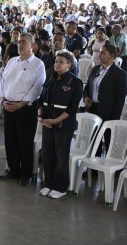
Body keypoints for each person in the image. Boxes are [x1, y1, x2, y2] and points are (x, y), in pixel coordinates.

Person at [0, 33, 46, 186]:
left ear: (32, 45)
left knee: (25, 142)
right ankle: (13, 170)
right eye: (18, 42)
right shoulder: (12, 61)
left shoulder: (38, 64)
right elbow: (3, 81)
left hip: (25, 108)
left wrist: (21, 104)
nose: (20, 45)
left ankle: (25, 174)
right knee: (10, 141)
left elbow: (37, 88)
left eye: (24, 42)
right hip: (9, 105)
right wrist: (4, 99)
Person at [37, 51, 83, 199]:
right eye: (56, 61)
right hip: (47, 123)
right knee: (47, 155)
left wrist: (56, 121)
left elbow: (72, 108)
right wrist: (40, 116)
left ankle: (60, 186)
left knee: (61, 156)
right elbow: (41, 99)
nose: (57, 64)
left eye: (61, 62)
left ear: (69, 65)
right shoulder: (51, 78)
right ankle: (48, 184)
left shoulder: (75, 82)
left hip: (63, 125)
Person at [83, 44, 127, 122]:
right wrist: (86, 97)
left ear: (111, 55)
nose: (99, 55)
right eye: (100, 53)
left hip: (107, 113)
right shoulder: (95, 69)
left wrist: (114, 118)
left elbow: (120, 99)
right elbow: (87, 88)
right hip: (91, 109)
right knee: (91, 133)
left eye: (103, 53)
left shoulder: (119, 74)